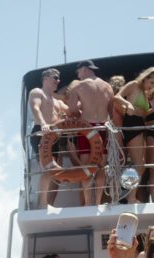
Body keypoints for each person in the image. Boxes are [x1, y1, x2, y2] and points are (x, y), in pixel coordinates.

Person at [66, 60, 115, 205]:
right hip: (103, 128)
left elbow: (72, 109)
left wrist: (80, 114)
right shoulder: (107, 87)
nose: (78, 75)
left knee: (86, 167)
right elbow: (111, 112)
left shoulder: (78, 86)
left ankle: (88, 202)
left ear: (84, 69)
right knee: (101, 165)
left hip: (87, 129)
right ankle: (99, 201)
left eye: (78, 72)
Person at [115, 67, 154, 203]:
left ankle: (130, 196)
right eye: (151, 82)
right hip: (131, 125)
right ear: (145, 77)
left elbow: (143, 113)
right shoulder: (133, 85)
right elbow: (116, 96)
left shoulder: (144, 92)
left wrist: (153, 110)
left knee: (140, 164)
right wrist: (127, 104)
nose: (152, 86)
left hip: (140, 125)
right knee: (139, 164)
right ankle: (130, 197)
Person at [28, 68, 69, 207]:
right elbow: (36, 108)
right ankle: (42, 203)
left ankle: (49, 203)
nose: (58, 81)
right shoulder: (37, 92)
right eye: (55, 78)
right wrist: (44, 124)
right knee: (47, 170)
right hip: (41, 132)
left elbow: (72, 110)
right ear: (45, 78)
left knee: (53, 172)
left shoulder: (57, 102)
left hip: (55, 138)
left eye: (58, 78)